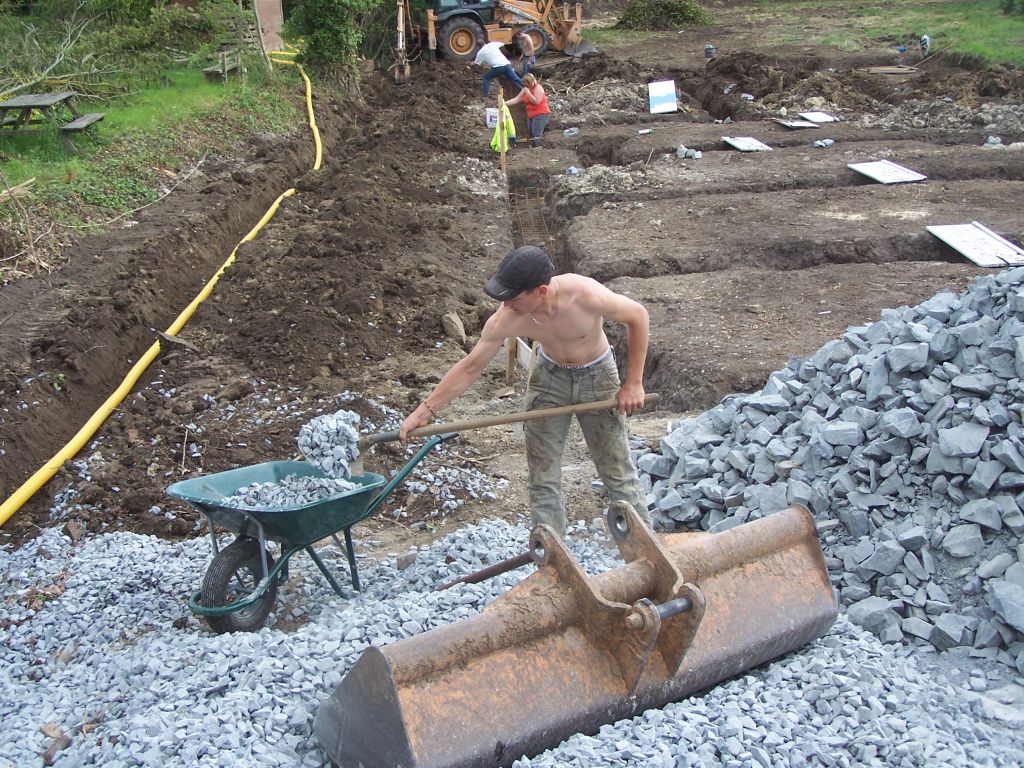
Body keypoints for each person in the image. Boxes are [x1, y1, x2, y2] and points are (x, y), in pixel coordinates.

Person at [399, 246, 652, 538]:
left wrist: (633, 383)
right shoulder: (507, 317)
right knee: (542, 474)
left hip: (597, 375)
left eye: (513, 297)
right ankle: (554, 559)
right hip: (550, 377)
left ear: (540, 291)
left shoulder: (585, 296)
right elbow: (471, 366)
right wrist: (423, 411)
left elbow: (638, 316)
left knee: (616, 469)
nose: (506, 305)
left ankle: (647, 554)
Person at [505, 73, 551, 148]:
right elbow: (516, 100)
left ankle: (538, 147)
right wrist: (503, 103)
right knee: (530, 132)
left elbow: (536, 101)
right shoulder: (525, 89)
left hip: (541, 114)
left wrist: (528, 93)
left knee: (536, 133)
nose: (525, 85)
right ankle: (533, 147)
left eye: (526, 83)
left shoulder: (538, 88)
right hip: (531, 114)